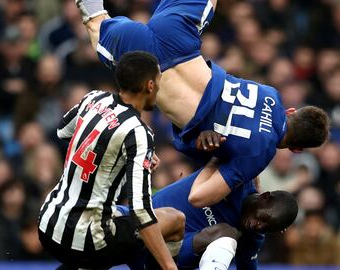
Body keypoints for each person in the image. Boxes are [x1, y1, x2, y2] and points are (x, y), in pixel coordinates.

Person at [75, 0, 330, 207]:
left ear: (291, 111)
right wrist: (218, 161)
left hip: (180, 39)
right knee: (95, 19)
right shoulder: (258, 155)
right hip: (150, 70)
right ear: (297, 150)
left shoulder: (271, 94)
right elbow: (198, 198)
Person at [37, 51, 185, 270]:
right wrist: (169, 267)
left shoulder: (94, 98)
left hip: (48, 224)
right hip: (87, 241)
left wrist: (119, 154)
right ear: (150, 85)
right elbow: (140, 210)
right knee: (175, 220)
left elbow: (63, 132)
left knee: (110, 234)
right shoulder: (139, 133)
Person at [117, 166, 298, 270]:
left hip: (154, 261)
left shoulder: (252, 238)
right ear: (264, 197)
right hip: (135, 222)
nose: (256, 226)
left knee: (226, 235)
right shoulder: (236, 180)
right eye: (262, 218)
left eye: (265, 227)